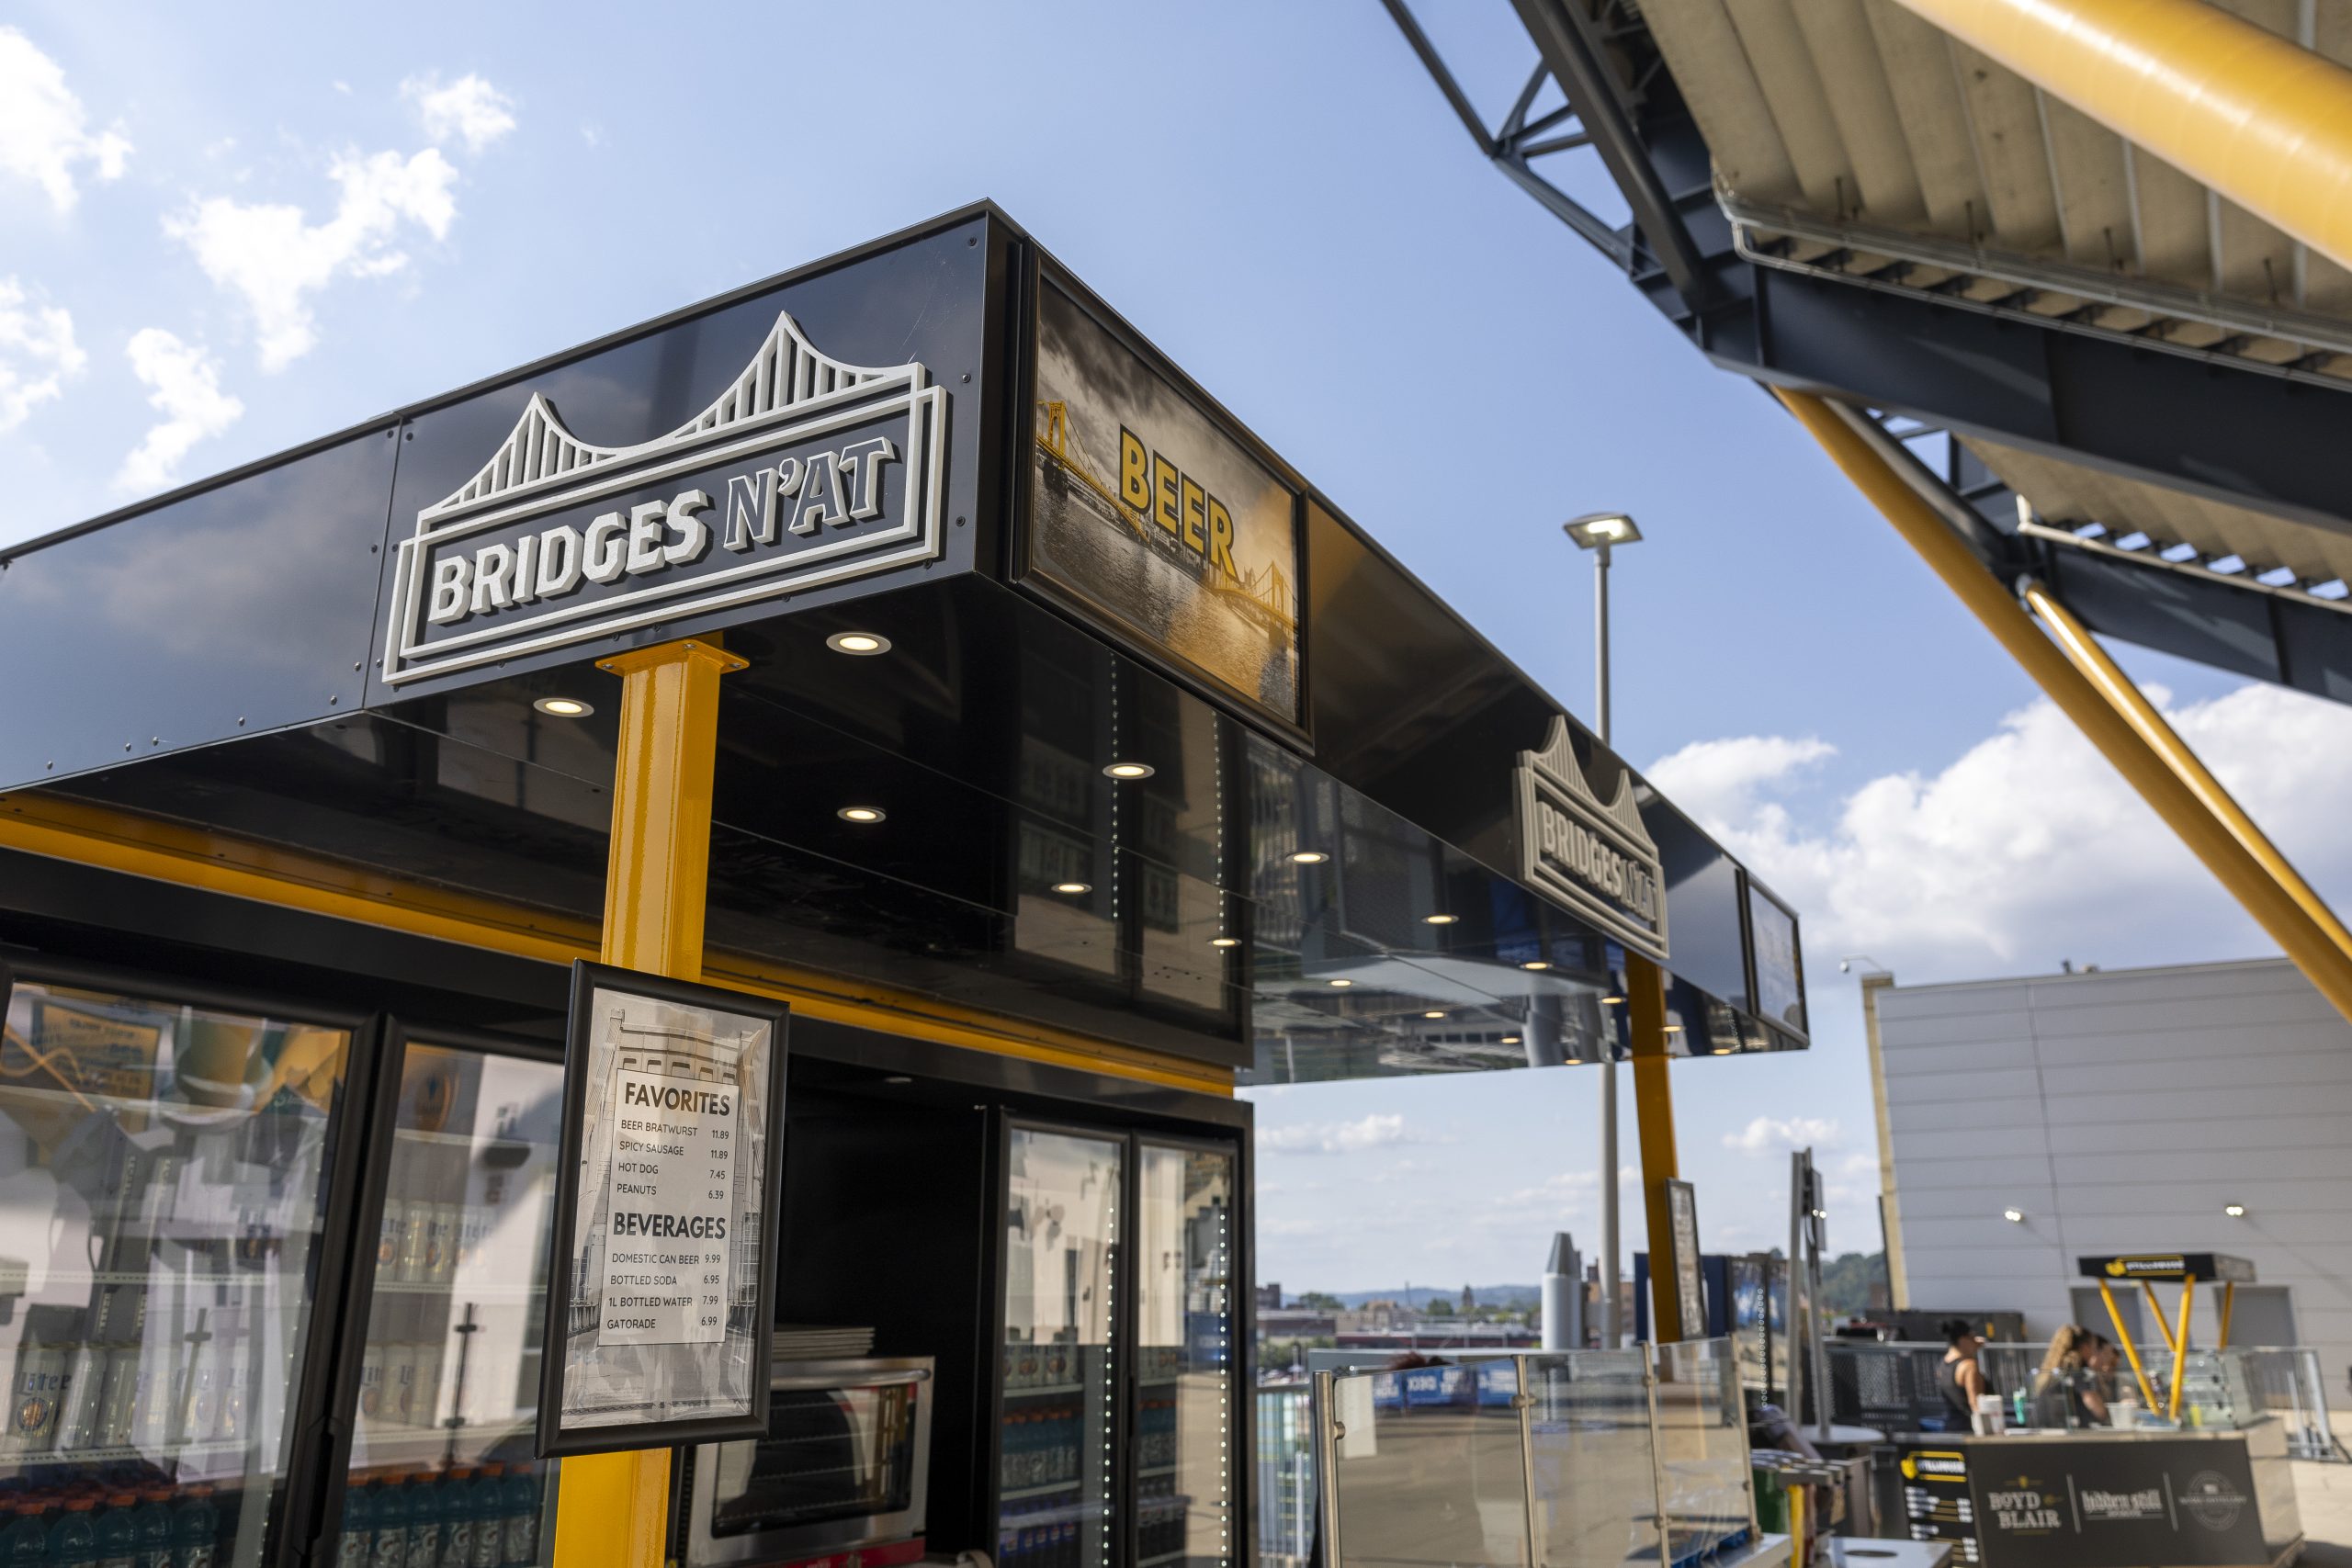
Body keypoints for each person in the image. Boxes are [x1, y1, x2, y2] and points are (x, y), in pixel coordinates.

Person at [2029, 1324, 2110, 1427]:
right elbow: (2091, 1400)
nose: (2094, 1353)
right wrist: (2109, 1417)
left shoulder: (2057, 1368)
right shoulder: (2077, 1367)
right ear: (2085, 1347)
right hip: (2060, 1429)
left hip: (2041, 1426)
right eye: (2093, 1348)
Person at [1935, 1316, 1986, 1424]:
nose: (1975, 1340)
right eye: (1972, 1337)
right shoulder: (1969, 1366)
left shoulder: (1942, 1365)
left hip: (1951, 1425)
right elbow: (1975, 1403)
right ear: (1963, 1340)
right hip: (1970, 1428)